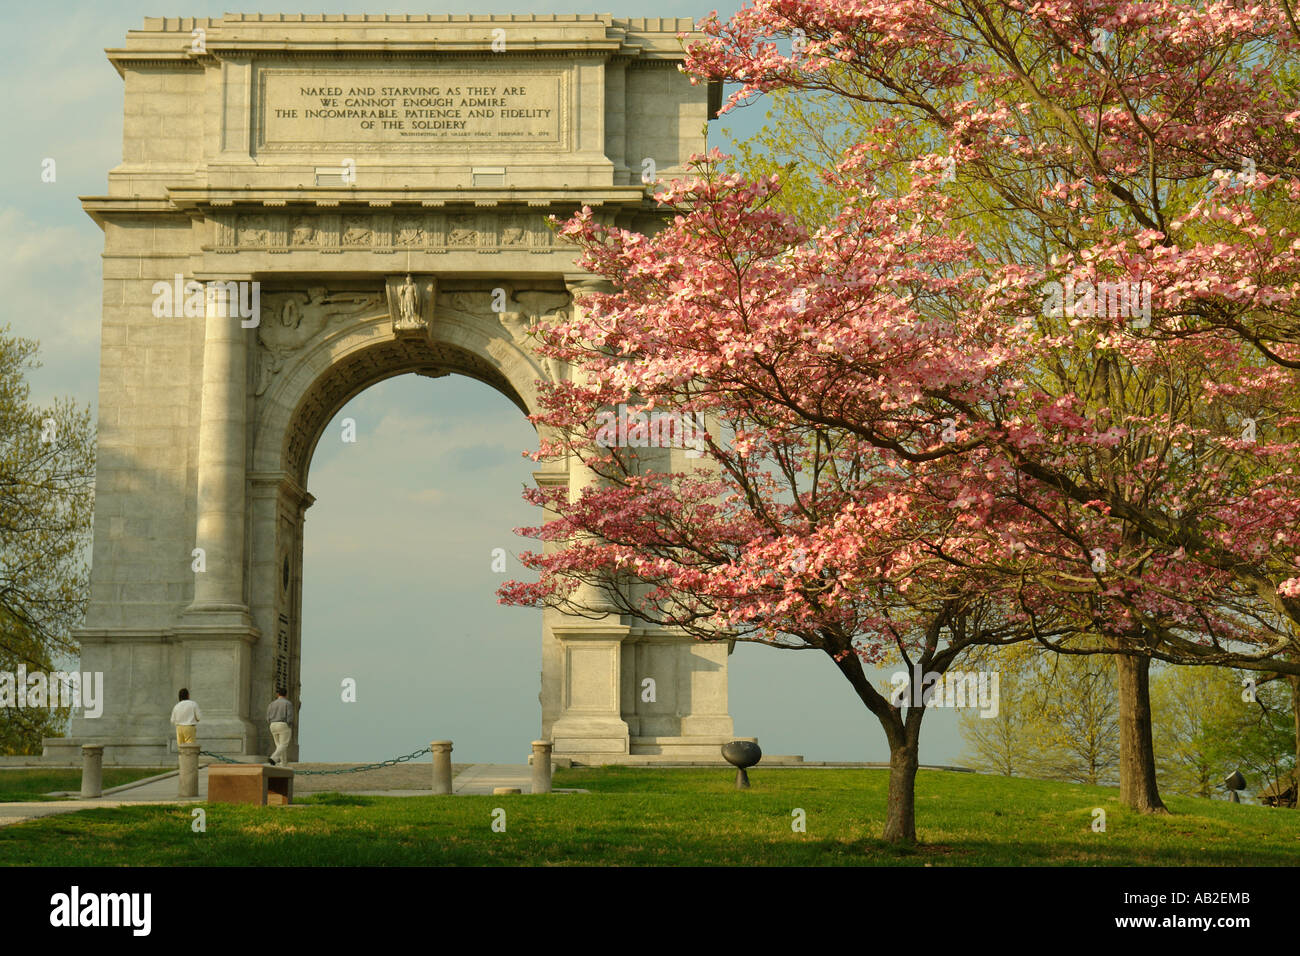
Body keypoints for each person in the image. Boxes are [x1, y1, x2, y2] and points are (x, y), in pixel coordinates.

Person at [266, 688, 294, 766]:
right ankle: (273, 758)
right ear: (286, 694)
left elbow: (267, 717)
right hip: (283, 724)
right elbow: (290, 716)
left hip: (272, 725)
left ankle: (283, 763)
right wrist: (288, 724)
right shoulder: (288, 703)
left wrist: (271, 722)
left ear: (278, 694)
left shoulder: (271, 704)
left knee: (279, 745)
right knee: (284, 745)